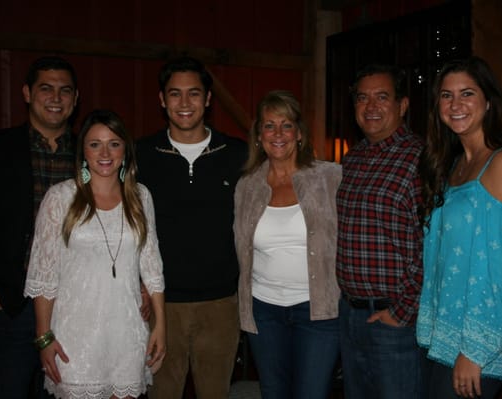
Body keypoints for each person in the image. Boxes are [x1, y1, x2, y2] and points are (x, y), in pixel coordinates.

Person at [416, 56, 502, 399]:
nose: (455, 104)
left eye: (467, 93)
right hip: (444, 337)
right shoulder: (453, 165)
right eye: (446, 95)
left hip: (477, 344)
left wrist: (475, 352)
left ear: (488, 101)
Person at [24, 109, 166, 398]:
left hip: (126, 333)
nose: (105, 152)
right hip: (75, 337)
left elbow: (152, 266)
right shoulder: (61, 198)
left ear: (125, 150)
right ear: (83, 151)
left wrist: (160, 325)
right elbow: (44, 274)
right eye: (94, 144)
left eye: (114, 143)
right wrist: (43, 338)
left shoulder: (141, 197)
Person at [135, 56, 247, 399]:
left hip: (221, 305)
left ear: (208, 99)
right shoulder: (141, 154)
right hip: (159, 304)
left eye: (194, 94)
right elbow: (124, 223)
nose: (185, 103)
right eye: (175, 94)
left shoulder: (238, 153)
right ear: (162, 99)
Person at [0, 56, 79, 398]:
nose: (56, 97)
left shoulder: (92, 153)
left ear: (75, 99)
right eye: (46, 89)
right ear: (26, 93)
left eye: (65, 90)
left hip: (72, 306)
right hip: (9, 307)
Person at [234, 90, 342, 399]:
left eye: (286, 125)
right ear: (259, 135)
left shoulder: (330, 177)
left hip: (318, 312)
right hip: (264, 311)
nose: (278, 134)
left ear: (299, 134)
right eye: (269, 125)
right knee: (274, 392)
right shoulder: (247, 186)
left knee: (311, 393)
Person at [335, 64, 425, 398]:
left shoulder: (422, 159)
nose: (370, 106)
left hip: (395, 321)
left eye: (382, 97)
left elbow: (431, 246)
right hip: (349, 314)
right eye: (362, 98)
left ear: (402, 105)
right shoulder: (352, 159)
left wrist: (402, 312)